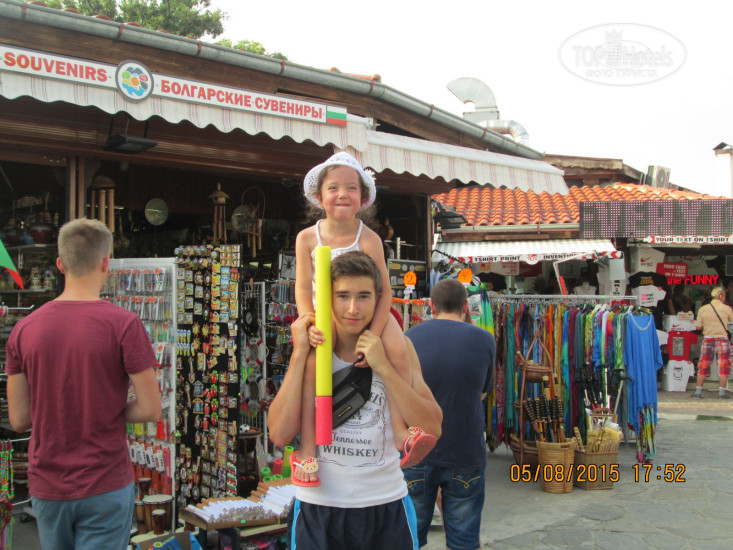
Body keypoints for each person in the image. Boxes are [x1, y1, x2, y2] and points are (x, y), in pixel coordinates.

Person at [268, 251, 442, 549]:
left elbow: (432, 427)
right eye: (342, 296)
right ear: (328, 298)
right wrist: (298, 353)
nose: (352, 308)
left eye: (363, 296)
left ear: (377, 299)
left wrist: (383, 367)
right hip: (318, 510)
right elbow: (280, 434)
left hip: (386, 506)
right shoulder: (310, 351)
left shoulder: (398, 348)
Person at [5, 218, 162, 550]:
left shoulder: (24, 329)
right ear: (106, 263)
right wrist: (106, 409)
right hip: (105, 481)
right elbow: (150, 409)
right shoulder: (124, 324)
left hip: (48, 483)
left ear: (60, 264)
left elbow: (19, 419)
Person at [292, 152, 434, 485]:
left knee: (397, 350)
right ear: (319, 196)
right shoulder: (307, 237)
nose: (342, 194)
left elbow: (384, 291)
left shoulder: (369, 238)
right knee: (311, 367)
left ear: (363, 197)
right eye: (334, 188)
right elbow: (302, 286)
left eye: (351, 188)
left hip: (371, 311)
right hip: (326, 315)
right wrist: (309, 322)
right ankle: (308, 449)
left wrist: (375, 333)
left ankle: (402, 432)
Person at [403, 279, 496, 550]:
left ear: (431, 307)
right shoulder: (485, 339)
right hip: (465, 451)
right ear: (465, 307)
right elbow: (483, 392)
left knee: (409, 538)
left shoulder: (410, 338)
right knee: (464, 541)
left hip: (418, 449)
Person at [692, 286, 733, 399]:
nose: (725, 298)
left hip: (708, 339)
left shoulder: (703, 309)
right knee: (724, 366)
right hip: (723, 340)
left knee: (703, 365)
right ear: (720, 296)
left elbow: (698, 327)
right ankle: (722, 393)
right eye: (724, 296)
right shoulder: (726, 308)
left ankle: (698, 392)